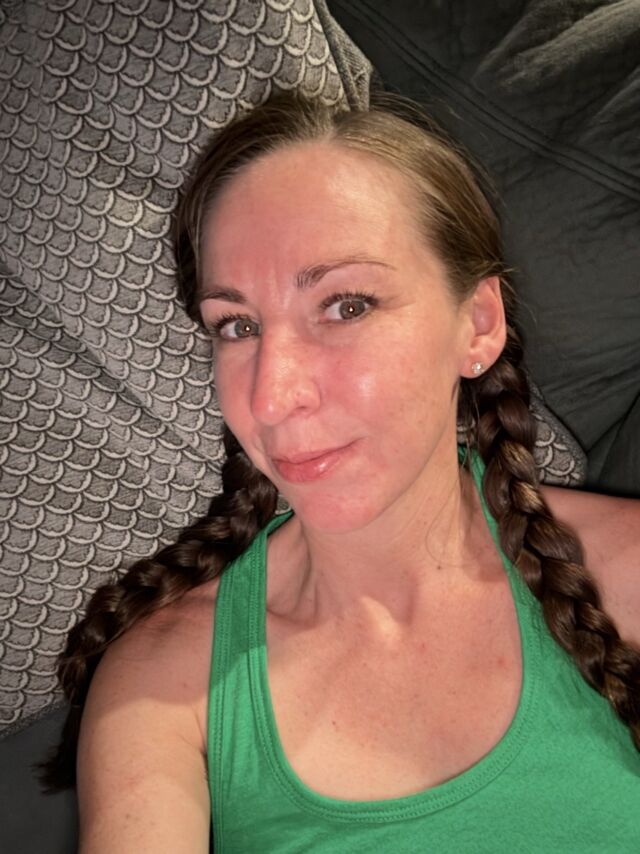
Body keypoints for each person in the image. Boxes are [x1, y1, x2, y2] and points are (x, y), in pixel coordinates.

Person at [42, 92, 640, 852]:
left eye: (345, 306)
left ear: (478, 324)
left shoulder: (628, 571)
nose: (271, 395)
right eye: (238, 325)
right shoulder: (161, 686)